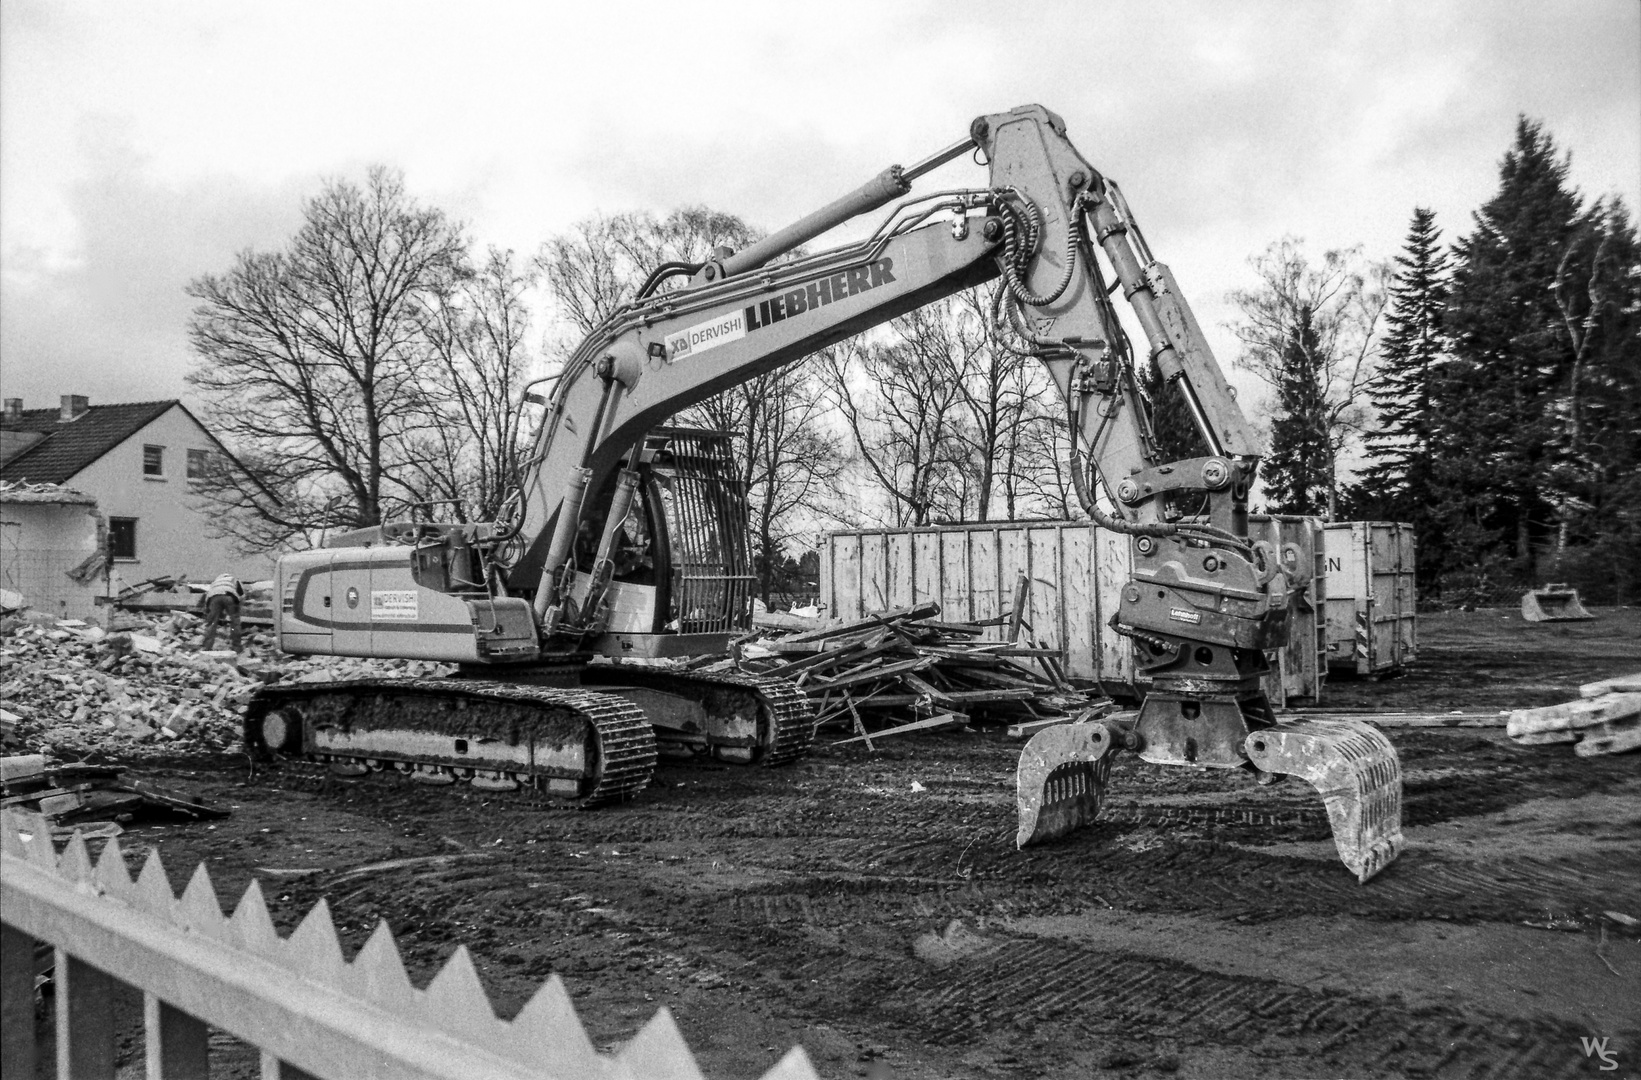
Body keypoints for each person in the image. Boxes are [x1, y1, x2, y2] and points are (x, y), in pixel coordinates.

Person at [201, 573, 245, 652]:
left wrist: (211, 615)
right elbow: (241, 595)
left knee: (211, 623)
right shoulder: (234, 579)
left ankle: (207, 647)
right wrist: (237, 609)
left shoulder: (215, 582)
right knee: (235, 622)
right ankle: (237, 647)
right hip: (229, 596)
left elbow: (207, 604)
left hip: (213, 598)